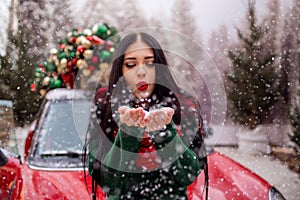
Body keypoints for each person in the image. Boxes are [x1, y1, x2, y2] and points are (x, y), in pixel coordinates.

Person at [85, 32, 208, 200]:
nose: (141, 72)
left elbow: (188, 175)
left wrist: (164, 133)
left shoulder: (183, 105)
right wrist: (128, 133)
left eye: (149, 63)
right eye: (130, 64)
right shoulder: (105, 106)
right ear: (120, 69)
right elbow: (107, 180)